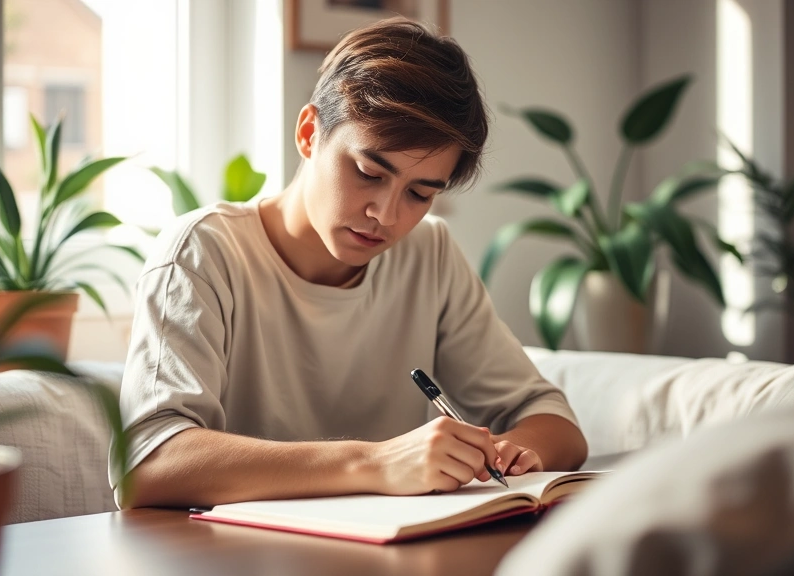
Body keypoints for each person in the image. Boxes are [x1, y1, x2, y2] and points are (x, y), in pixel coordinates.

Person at [112, 17, 588, 508]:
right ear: (309, 133)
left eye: (420, 193)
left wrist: (510, 454)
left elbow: (553, 421)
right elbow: (147, 463)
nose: (385, 215)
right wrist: (376, 463)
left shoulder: (429, 254)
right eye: (367, 172)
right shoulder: (203, 253)